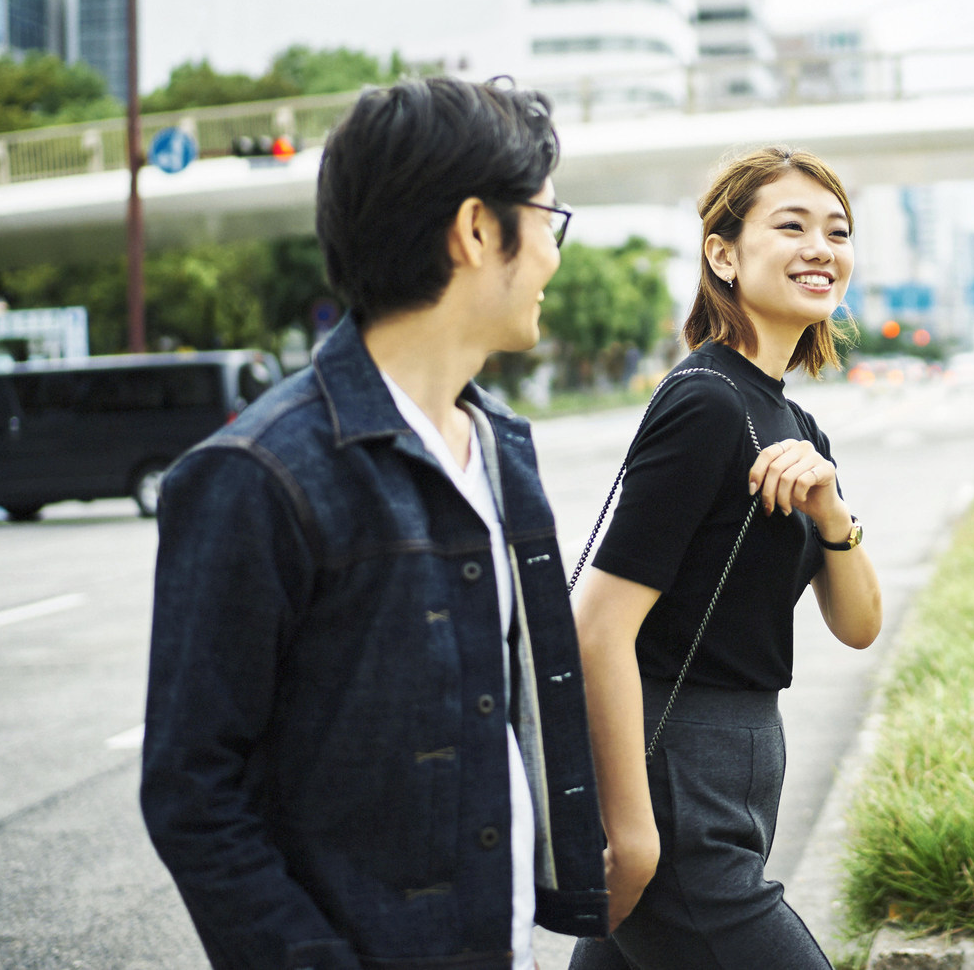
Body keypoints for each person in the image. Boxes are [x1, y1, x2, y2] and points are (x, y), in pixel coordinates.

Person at [142, 77, 608, 970]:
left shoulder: (504, 447)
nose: (554, 252)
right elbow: (193, 795)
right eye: (550, 218)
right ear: (477, 229)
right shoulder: (257, 475)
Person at [570, 146, 885, 970]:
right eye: (792, 225)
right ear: (723, 253)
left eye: (838, 230)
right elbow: (598, 624)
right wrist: (635, 836)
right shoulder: (706, 401)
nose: (821, 246)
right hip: (677, 785)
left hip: (737, 772)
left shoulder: (798, 427)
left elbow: (857, 625)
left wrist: (830, 507)